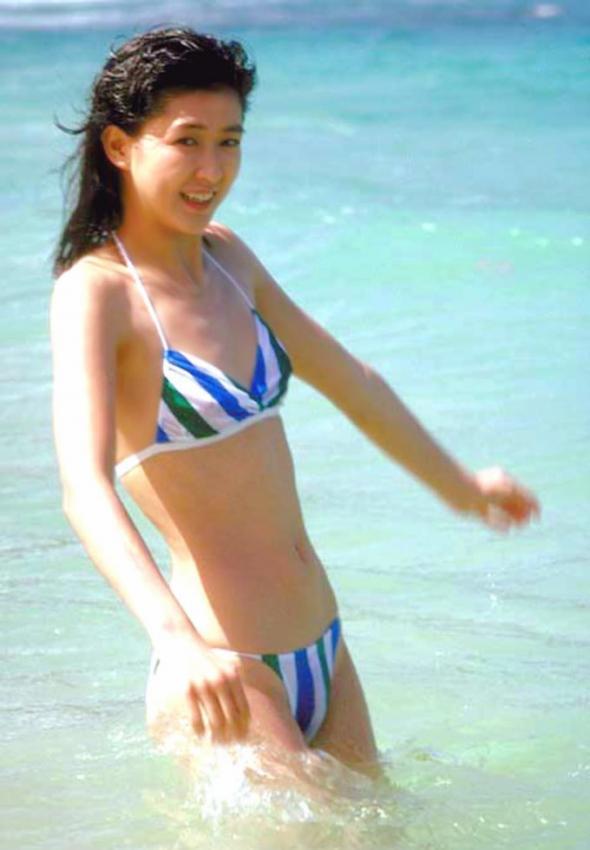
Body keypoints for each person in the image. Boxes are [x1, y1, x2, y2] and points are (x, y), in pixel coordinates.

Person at [51, 26, 540, 778]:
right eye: (187, 141)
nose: (211, 169)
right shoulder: (96, 293)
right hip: (224, 668)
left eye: (229, 142)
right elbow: (84, 488)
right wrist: (176, 643)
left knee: (387, 831)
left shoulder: (228, 258)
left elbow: (353, 382)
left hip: (327, 651)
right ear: (120, 146)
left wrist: (461, 487)